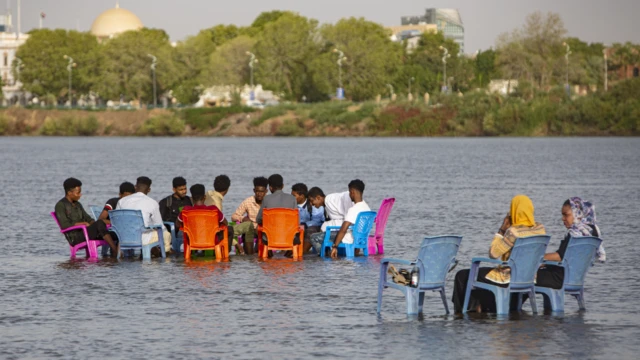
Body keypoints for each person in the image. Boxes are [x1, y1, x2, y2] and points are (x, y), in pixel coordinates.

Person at [452, 195, 546, 314]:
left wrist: (502, 229)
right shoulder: (540, 228)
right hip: (529, 277)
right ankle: (479, 307)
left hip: (507, 276)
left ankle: (461, 314)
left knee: (462, 275)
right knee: (478, 275)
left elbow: (493, 253)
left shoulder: (513, 232)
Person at [535, 198, 604, 304]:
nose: (563, 219)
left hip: (559, 279)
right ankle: (548, 314)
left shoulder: (575, 234)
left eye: (566, 215)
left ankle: (513, 312)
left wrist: (536, 258)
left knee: (525, 276)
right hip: (575, 279)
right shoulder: (591, 232)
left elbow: (560, 256)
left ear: (578, 214)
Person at [54, 178, 119, 257]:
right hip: (75, 237)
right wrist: (82, 223)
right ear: (69, 193)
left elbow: (88, 218)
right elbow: (64, 225)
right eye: (78, 193)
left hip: (86, 233)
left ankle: (115, 256)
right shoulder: (60, 205)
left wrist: (93, 223)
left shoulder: (78, 204)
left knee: (116, 234)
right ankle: (115, 251)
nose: (80, 195)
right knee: (99, 223)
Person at [309, 180, 370, 258]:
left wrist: (335, 246)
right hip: (360, 238)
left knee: (313, 237)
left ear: (352, 192)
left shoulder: (353, 209)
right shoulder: (367, 208)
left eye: (349, 192)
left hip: (348, 237)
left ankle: (325, 259)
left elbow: (343, 229)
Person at [117, 176, 172, 255]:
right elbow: (159, 225)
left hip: (124, 238)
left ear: (135, 187)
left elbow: (117, 221)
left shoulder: (121, 201)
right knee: (166, 234)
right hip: (143, 239)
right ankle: (165, 257)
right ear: (149, 189)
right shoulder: (152, 203)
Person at [176, 184, 231, 250]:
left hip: (192, 241)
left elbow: (177, 224)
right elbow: (225, 223)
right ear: (204, 197)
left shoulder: (186, 210)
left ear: (192, 198)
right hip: (212, 241)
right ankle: (223, 254)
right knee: (230, 229)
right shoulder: (213, 209)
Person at [256, 174, 298, 256]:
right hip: (289, 238)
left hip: (270, 238)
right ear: (282, 186)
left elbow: (258, 219)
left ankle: (268, 254)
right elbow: (296, 221)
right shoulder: (292, 198)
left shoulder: (267, 199)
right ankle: (290, 254)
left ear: (270, 187)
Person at [231, 177, 269, 255]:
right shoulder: (248, 201)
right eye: (257, 191)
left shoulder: (269, 201)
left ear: (266, 191)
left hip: (266, 229)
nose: (259, 194)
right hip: (252, 229)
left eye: (262, 192)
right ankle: (249, 257)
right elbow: (234, 216)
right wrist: (243, 218)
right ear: (254, 190)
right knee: (249, 228)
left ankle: (260, 253)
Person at [292, 184, 325, 253]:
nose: (292, 198)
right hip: (296, 228)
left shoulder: (313, 204)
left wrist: (305, 224)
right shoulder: (291, 205)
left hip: (310, 228)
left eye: (294, 196)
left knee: (311, 230)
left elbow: (317, 220)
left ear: (302, 196)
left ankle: (303, 252)